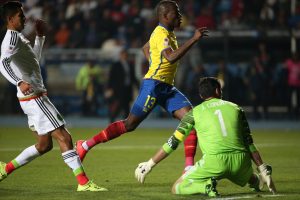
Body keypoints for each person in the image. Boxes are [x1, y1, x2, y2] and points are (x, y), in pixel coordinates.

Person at [76, 0, 208, 171]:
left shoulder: (166, 33)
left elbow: (145, 47)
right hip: (154, 86)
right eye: (177, 13)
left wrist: (154, 63)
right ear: (166, 16)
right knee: (129, 124)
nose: (180, 16)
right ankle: (85, 145)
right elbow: (170, 57)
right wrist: (194, 39)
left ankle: (189, 168)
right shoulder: (161, 34)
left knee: (191, 120)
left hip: (166, 87)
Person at [0, 1, 106, 192]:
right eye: (20, 16)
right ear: (10, 19)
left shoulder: (18, 37)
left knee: (43, 145)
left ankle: (5, 169)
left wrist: (40, 37)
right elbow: (2, 64)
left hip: (32, 98)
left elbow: (34, 60)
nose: (25, 18)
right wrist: (19, 82)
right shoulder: (12, 39)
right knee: (64, 137)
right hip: (34, 98)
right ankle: (83, 183)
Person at [135, 77, 276, 197]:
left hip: (214, 163)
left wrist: (149, 164)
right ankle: (256, 181)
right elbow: (249, 144)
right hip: (240, 162)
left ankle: (206, 187)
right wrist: (262, 168)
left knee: (177, 187)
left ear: (201, 96)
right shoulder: (236, 108)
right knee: (251, 178)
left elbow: (173, 142)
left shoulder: (193, 113)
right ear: (218, 91)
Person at [105, 49, 139, 122]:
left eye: (126, 55)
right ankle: (112, 121)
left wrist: (138, 86)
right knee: (118, 105)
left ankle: (126, 124)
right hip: (119, 89)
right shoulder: (116, 65)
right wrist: (109, 88)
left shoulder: (130, 64)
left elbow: (133, 77)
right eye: (123, 55)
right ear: (120, 55)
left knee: (126, 106)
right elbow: (111, 77)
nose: (125, 56)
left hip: (128, 89)